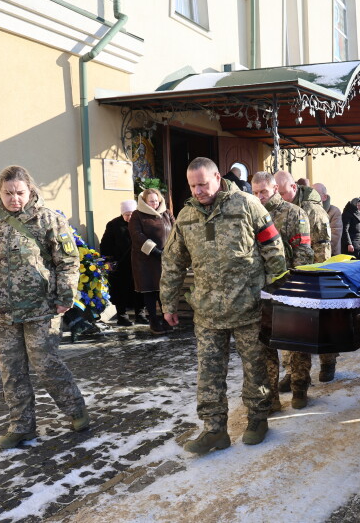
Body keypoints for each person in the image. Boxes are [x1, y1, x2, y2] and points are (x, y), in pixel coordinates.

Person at [161, 157, 287, 455]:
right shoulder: (186, 215)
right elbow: (173, 261)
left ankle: (257, 419)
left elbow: (273, 247)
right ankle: (214, 429)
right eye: (193, 186)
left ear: (218, 178)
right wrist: (168, 302)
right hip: (207, 310)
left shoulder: (246, 204)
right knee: (208, 373)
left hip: (249, 305)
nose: (199, 191)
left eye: (203, 184)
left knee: (255, 367)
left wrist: (275, 292)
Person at [0, 165, 89, 449]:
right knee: (11, 371)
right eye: (8, 193)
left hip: (41, 309)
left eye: (19, 192)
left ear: (29, 190)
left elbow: (67, 261)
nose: (14, 198)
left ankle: (75, 409)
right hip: (1, 311)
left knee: (46, 365)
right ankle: (21, 426)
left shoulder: (48, 220)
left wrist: (64, 297)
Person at [251, 171, 314, 410]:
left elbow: (304, 254)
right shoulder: (251, 214)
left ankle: (299, 388)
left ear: (275, 189)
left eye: (263, 192)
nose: (259, 197)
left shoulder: (294, 214)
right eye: (255, 192)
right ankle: (271, 397)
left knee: (297, 343)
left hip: (288, 289)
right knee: (265, 345)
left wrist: (296, 289)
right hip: (261, 290)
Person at [274, 170, 338, 381]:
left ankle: (328, 361)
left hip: (312, 274)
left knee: (321, 320)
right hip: (286, 273)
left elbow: (322, 246)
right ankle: (294, 372)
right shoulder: (277, 208)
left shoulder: (312, 210)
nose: (279, 197)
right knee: (289, 324)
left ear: (294, 187)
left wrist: (314, 277)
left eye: (282, 193)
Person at [129, 188, 174, 335]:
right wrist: (154, 251)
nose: (154, 203)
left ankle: (166, 319)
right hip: (146, 260)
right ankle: (153, 320)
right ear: (144, 201)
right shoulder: (137, 215)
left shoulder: (166, 213)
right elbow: (137, 236)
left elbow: (176, 231)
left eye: (156, 200)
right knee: (150, 290)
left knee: (164, 290)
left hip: (164, 258)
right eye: (151, 201)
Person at [99, 200, 146, 326]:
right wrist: (108, 260)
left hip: (137, 264)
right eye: (127, 214)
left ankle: (140, 315)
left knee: (139, 290)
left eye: (132, 214)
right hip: (120, 265)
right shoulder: (113, 225)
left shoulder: (140, 223)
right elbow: (105, 244)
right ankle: (122, 316)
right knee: (120, 292)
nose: (129, 217)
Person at [313, 182, 343, 257]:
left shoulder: (334, 212)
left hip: (330, 256)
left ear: (324, 197)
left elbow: (335, 236)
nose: (312, 197)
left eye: (316, 194)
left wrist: (317, 251)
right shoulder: (309, 210)